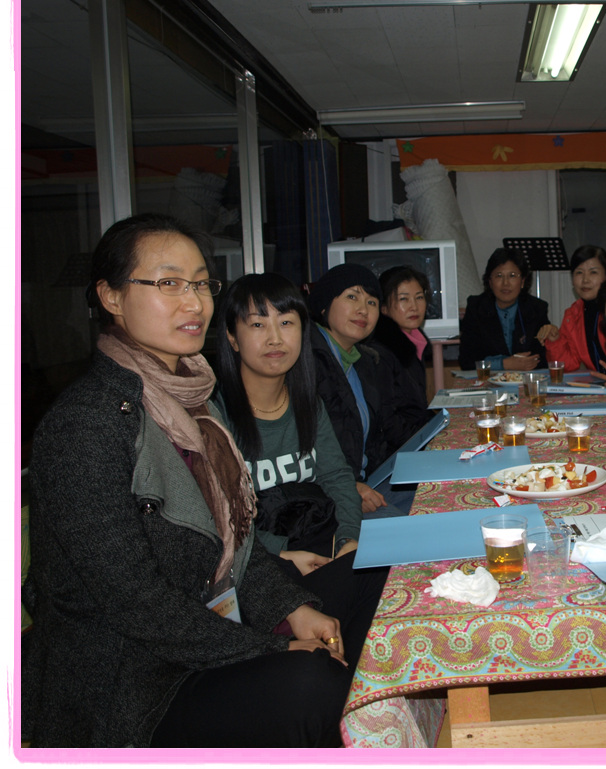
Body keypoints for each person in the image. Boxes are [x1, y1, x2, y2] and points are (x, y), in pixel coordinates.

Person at [23, 214, 350, 747]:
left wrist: (292, 609)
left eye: (200, 284)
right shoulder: (86, 425)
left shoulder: (194, 403)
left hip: (206, 632)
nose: (194, 303)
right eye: (169, 283)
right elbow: (134, 600)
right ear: (111, 296)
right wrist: (271, 647)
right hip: (131, 684)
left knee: (361, 594)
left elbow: (236, 545)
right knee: (311, 684)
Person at [213, 272, 389, 660]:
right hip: (262, 569)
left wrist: (348, 538)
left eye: (286, 323)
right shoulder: (213, 417)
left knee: (389, 573)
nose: (275, 338)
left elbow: (338, 477)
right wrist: (279, 553)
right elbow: (215, 521)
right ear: (232, 337)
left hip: (321, 545)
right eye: (257, 324)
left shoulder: (307, 403)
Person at [308, 263, 434, 517]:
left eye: (371, 302)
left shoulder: (363, 362)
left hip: (372, 481)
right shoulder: (305, 363)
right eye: (352, 297)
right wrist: (348, 486)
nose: (363, 309)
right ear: (324, 305)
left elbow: (380, 434)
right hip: (331, 497)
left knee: (445, 494)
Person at [458, 247, 550, 372]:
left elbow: (542, 358)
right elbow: (466, 361)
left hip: (525, 379)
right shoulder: (476, 307)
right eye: (499, 276)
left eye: (512, 276)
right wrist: (504, 364)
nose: (506, 283)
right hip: (488, 380)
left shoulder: (537, 308)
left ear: (522, 281)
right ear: (490, 282)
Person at [537, 244, 606, 372]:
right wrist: (555, 340)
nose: (585, 280)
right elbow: (568, 365)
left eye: (593, 272)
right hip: (602, 382)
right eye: (579, 273)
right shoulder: (573, 314)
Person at [372, 265, 432, 410]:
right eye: (404, 299)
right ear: (383, 307)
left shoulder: (415, 342)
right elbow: (389, 415)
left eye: (419, 297)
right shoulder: (381, 353)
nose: (414, 307)